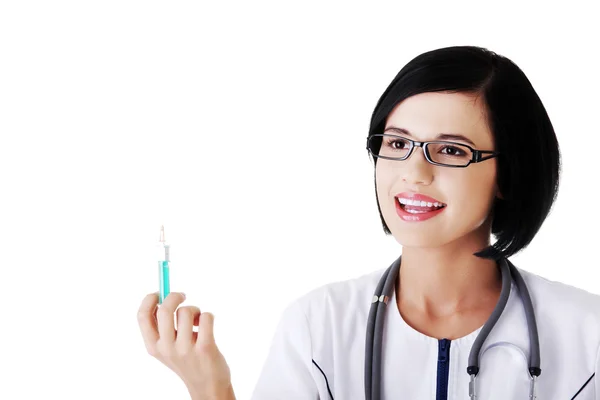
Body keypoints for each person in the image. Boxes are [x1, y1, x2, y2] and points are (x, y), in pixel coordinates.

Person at [137, 45, 600, 399]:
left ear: (509, 172)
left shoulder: (585, 334)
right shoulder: (320, 325)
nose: (413, 174)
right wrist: (211, 387)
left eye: (452, 150)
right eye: (397, 144)